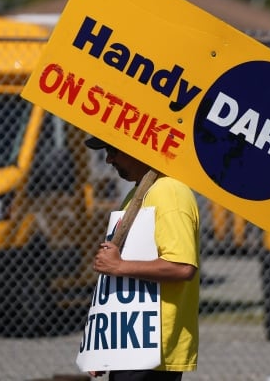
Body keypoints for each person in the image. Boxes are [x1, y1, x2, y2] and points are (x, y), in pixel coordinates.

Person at [84, 136, 200, 381]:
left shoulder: (170, 192)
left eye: (113, 150)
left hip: (153, 346)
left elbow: (181, 267)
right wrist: (102, 347)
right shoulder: (138, 194)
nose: (109, 159)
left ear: (137, 147)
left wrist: (119, 266)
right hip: (130, 341)